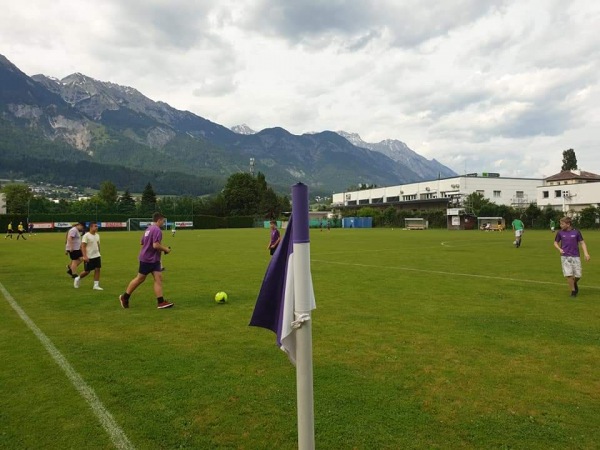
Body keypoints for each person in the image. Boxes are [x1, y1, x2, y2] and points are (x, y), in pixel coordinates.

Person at [119, 212, 173, 309]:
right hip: (149, 259)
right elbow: (155, 245)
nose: (164, 223)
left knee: (158, 278)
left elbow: (142, 242)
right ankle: (124, 297)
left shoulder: (148, 229)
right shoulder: (157, 230)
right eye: (163, 221)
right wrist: (165, 249)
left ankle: (161, 302)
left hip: (152, 259)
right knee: (140, 279)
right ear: (159, 220)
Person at [554, 217, 590, 297]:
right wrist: (559, 249)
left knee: (578, 275)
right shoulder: (560, 233)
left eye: (562, 224)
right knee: (569, 274)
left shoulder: (577, 232)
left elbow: (582, 243)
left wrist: (586, 253)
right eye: (560, 223)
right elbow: (555, 243)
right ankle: (573, 291)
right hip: (565, 256)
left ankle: (574, 283)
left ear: (568, 224)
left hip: (576, 256)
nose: (560, 225)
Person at [74, 222, 103, 290]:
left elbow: (98, 244)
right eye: (95, 226)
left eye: (97, 226)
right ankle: (77, 278)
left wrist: (99, 252)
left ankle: (96, 285)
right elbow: (83, 246)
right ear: (91, 227)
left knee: (97, 269)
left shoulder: (97, 235)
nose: (97, 227)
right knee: (87, 271)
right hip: (89, 256)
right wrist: (85, 256)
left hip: (97, 255)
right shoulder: (86, 235)